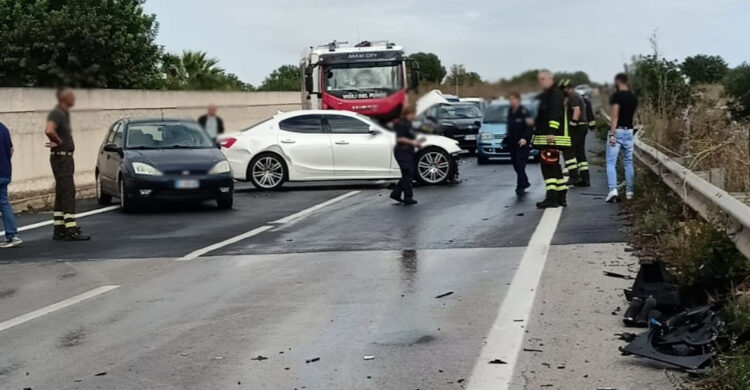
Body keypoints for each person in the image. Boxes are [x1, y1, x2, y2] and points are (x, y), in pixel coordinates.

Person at [45, 88, 90, 241]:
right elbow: (49, 130)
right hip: (62, 159)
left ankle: (59, 228)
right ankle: (71, 229)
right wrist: (59, 142)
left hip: (62, 158)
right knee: (68, 192)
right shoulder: (57, 113)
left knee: (61, 192)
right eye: (71, 97)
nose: (74, 100)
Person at [531, 70, 570, 209]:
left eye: (543, 79)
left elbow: (555, 114)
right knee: (554, 166)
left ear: (550, 79)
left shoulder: (554, 94)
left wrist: (551, 133)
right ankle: (561, 195)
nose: (541, 82)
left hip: (551, 137)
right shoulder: (550, 94)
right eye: (539, 79)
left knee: (548, 168)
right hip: (548, 136)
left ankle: (552, 197)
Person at [606, 73, 639, 202]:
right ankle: (629, 192)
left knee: (611, 162)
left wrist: (612, 134)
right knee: (628, 162)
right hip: (629, 131)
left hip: (618, 131)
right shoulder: (633, 97)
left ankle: (613, 190)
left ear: (618, 81)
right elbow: (635, 117)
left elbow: (615, 116)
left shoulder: (617, 96)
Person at [560, 80, 591, 187]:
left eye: (565, 88)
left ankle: (574, 177)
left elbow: (576, 111)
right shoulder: (576, 96)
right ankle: (585, 178)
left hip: (577, 127)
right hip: (582, 126)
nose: (564, 91)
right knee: (579, 153)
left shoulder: (573, 96)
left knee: (568, 151)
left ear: (569, 88)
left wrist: (572, 124)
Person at [390, 106, 421, 206]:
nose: (414, 116)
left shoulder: (408, 124)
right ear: (407, 114)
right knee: (407, 174)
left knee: (408, 174)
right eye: (413, 114)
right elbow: (400, 139)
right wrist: (413, 142)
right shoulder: (401, 124)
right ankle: (408, 197)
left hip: (408, 151)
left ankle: (396, 193)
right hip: (402, 152)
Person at [506, 92, 534, 195]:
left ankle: (520, 186)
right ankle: (524, 182)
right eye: (510, 100)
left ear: (518, 100)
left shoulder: (524, 111)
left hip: (523, 143)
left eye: (513, 99)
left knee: (520, 165)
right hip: (513, 143)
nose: (511, 102)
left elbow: (530, 127)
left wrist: (525, 138)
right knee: (516, 165)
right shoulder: (510, 111)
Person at [0, 121, 22, 248]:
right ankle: (13, 235)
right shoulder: (4, 128)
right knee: (4, 204)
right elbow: (11, 149)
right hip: (5, 172)